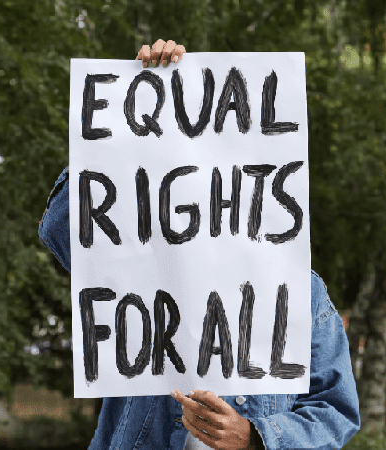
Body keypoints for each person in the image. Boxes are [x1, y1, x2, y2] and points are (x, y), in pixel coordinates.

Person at [38, 39, 361, 450]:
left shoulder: (300, 289)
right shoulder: (141, 265)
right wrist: (129, 109)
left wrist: (255, 437)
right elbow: (62, 227)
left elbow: (336, 410)